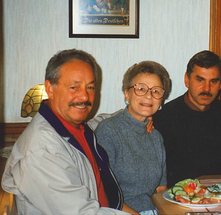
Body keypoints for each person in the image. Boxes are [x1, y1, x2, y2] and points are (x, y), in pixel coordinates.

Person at [1, 49, 134, 214]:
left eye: (90, 87)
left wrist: (137, 114)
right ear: (50, 88)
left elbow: (98, 121)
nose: (84, 96)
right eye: (74, 87)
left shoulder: (73, 127)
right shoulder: (42, 149)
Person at [96, 61, 171, 214]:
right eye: (141, 89)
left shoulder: (156, 137)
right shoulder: (108, 131)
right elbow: (103, 192)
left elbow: (161, 189)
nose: (149, 96)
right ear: (126, 93)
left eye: (156, 91)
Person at [153, 50, 221, 187]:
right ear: (187, 80)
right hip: (179, 197)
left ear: (220, 84)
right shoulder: (163, 117)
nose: (206, 88)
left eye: (213, 81)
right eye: (200, 80)